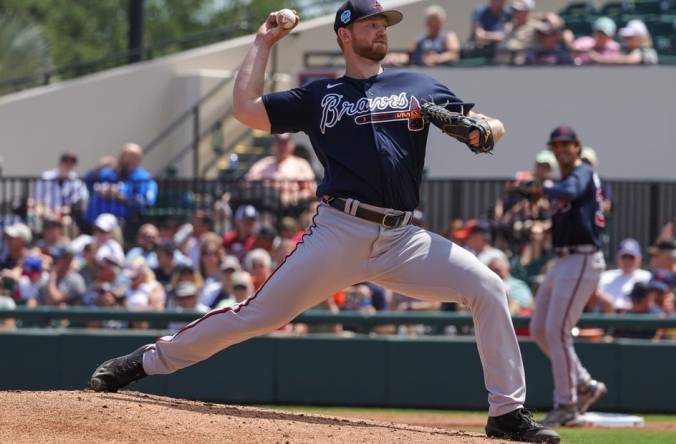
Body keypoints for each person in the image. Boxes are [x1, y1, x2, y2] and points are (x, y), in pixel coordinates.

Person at [89, 3, 558, 442]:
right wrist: (263, 43)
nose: (381, 29)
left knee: (489, 288)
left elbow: (488, 124)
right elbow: (246, 110)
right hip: (339, 230)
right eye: (372, 23)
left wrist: (484, 129)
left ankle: (506, 414)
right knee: (256, 315)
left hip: (402, 237)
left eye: (385, 24)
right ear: (345, 33)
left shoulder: (419, 85)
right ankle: (145, 362)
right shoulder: (319, 95)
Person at [529, 125, 608, 426]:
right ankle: (585, 384)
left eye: (567, 145)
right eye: (556, 145)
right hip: (563, 259)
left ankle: (567, 404)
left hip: (583, 257)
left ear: (578, 147)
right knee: (539, 329)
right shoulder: (564, 179)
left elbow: (572, 192)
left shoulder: (583, 172)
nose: (561, 150)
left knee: (558, 330)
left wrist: (541, 187)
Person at [83, 143, 158, 229]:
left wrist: (119, 196)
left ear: (136, 159)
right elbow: (88, 181)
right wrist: (99, 166)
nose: (121, 157)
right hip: (93, 219)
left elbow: (145, 201)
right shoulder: (111, 172)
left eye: (125, 155)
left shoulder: (143, 178)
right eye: (122, 154)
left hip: (122, 222)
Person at [244, 133, 316, 206]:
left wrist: (292, 197)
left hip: (294, 208)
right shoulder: (262, 165)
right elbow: (247, 185)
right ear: (274, 145)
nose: (282, 147)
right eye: (279, 143)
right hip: (266, 207)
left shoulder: (301, 164)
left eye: (285, 143)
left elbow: (311, 190)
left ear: (291, 145)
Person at [386, 5, 460, 67]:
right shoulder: (420, 38)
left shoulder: (448, 36)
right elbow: (409, 55)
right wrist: (396, 58)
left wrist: (437, 58)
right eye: (430, 20)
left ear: (441, 22)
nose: (433, 23)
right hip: (422, 72)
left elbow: (454, 54)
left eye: (436, 20)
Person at [597, 239, 652, 312]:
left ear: (639, 258)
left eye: (631, 258)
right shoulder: (606, 276)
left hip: (637, 316)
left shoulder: (646, 277)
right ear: (617, 258)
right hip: (609, 316)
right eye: (624, 257)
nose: (627, 261)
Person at [33, 150, 88, 218]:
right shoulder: (46, 177)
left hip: (67, 215)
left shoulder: (77, 181)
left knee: (68, 220)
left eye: (71, 163)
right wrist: (46, 210)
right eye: (66, 162)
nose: (68, 166)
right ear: (60, 163)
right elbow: (38, 199)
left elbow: (82, 198)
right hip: (47, 212)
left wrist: (69, 209)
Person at [592, 20, 657, 65]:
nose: (627, 39)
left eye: (631, 37)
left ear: (640, 37)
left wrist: (600, 59)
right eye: (626, 37)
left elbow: (630, 59)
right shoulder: (625, 49)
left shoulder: (648, 52)